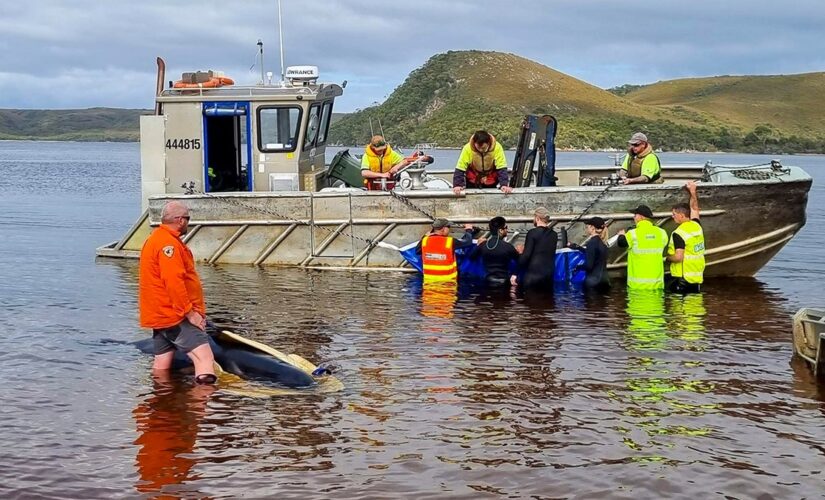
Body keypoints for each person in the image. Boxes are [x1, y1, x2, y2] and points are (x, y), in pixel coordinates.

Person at [139, 201, 217, 385]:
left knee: (162, 363)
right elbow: (173, 282)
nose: (188, 223)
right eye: (188, 219)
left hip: (159, 315)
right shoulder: (169, 246)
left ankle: (161, 403)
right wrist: (190, 313)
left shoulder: (155, 239)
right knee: (205, 358)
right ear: (180, 220)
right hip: (174, 315)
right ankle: (200, 409)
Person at [617, 204, 669, 290]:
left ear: (641, 217)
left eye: (635, 215)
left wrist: (621, 235)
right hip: (657, 285)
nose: (634, 217)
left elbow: (621, 243)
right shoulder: (662, 233)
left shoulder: (633, 234)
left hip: (637, 287)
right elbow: (663, 243)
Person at [666, 181, 705, 293]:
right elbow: (694, 209)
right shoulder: (696, 226)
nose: (672, 217)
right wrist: (692, 191)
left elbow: (678, 257)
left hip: (682, 280)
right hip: (696, 279)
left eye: (674, 214)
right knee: (694, 308)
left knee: (679, 309)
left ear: (682, 216)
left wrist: (667, 258)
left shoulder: (679, 233)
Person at [452, 130, 513, 195]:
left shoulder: (497, 147)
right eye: (478, 148)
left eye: (483, 148)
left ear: (488, 143)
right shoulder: (467, 148)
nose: (481, 150)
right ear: (474, 143)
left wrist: (504, 184)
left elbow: (501, 166)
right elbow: (460, 167)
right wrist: (457, 185)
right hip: (473, 178)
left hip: (490, 179)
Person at [514, 207, 558, 289]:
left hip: (533, 276)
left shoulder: (532, 233)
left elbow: (526, 255)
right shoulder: (554, 235)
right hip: (548, 277)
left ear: (537, 218)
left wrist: (515, 273)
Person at [470, 216, 519, 287]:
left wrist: (477, 245)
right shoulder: (508, 247)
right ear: (500, 230)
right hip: (504, 282)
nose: (507, 230)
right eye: (506, 227)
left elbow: (472, 257)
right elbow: (520, 261)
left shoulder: (483, 245)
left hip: (488, 281)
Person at [569, 216, 611, 291]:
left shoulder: (591, 243)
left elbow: (589, 266)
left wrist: (577, 267)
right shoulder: (603, 243)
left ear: (592, 228)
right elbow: (595, 255)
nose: (586, 228)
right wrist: (578, 247)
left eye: (587, 226)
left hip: (593, 282)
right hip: (605, 282)